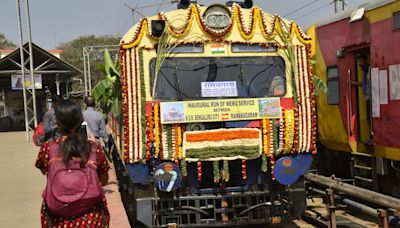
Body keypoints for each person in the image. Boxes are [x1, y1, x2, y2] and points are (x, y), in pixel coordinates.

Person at [35, 100, 110, 227]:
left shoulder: (48, 148)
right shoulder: (93, 147)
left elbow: (44, 170)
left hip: (58, 217)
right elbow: (104, 180)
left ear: (57, 122)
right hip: (91, 217)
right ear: (80, 120)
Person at [357, 54, 373, 144]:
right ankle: (371, 137)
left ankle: (372, 138)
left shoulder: (368, 69)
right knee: (369, 118)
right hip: (368, 97)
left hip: (371, 97)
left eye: (360, 61)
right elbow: (365, 83)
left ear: (365, 61)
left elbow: (369, 82)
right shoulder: (365, 70)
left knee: (370, 118)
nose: (359, 63)